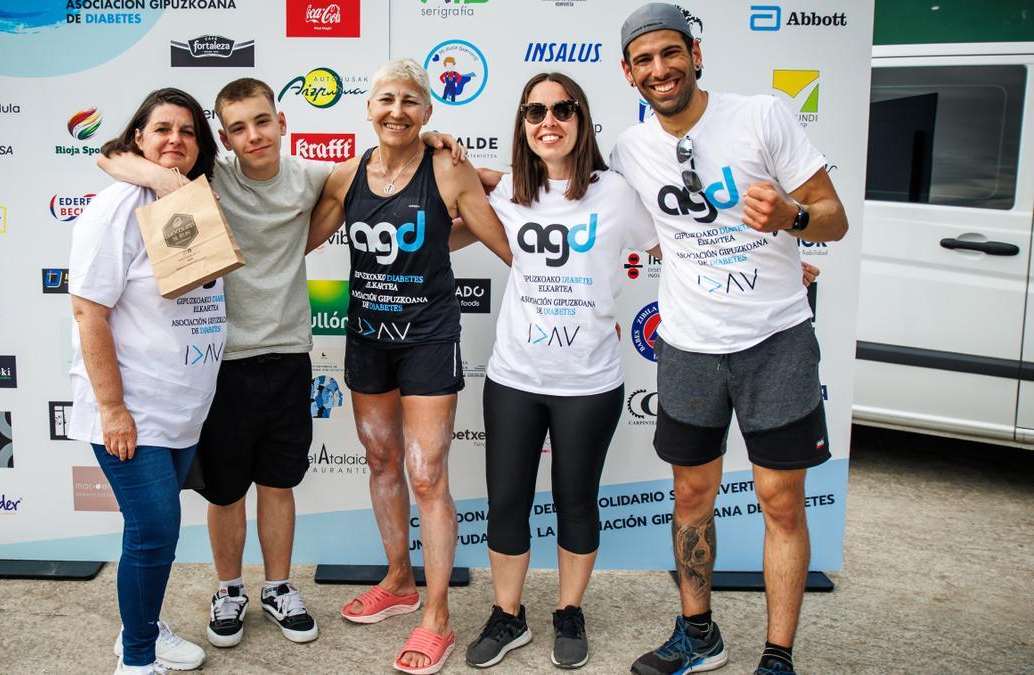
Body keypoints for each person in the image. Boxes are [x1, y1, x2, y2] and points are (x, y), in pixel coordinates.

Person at [97, 79, 464, 655]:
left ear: (282, 121)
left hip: (289, 355)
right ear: (223, 137)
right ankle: (227, 589)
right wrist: (166, 177)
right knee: (224, 492)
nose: (253, 135)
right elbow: (112, 153)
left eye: (262, 121)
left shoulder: (313, 177)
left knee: (278, 483)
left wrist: (436, 141)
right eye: (238, 128)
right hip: (217, 362)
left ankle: (278, 587)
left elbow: (394, 167)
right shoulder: (204, 176)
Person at [611, 5, 849, 675]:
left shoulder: (763, 116)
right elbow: (559, 187)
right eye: (646, 61)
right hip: (687, 346)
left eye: (671, 53)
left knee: (779, 499)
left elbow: (834, 218)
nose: (661, 69)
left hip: (775, 341)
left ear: (695, 53)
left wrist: (794, 214)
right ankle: (697, 633)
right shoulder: (632, 149)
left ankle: (777, 656)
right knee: (690, 496)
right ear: (629, 74)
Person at [306, 57, 512, 675]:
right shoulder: (346, 176)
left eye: (411, 103)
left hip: (427, 338)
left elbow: (505, 240)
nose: (397, 111)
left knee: (427, 475)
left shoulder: (447, 167)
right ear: (369, 108)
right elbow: (298, 240)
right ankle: (398, 582)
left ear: (428, 113)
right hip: (367, 337)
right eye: (386, 100)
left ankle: (438, 616)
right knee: (381, 460)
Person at [454, 72, 660, 670]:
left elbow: (677, 237)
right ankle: (508, 615)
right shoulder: (507, 194)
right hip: (515, 375)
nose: (549, 120)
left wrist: (778, 254)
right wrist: (452, 163)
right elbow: (444, 236)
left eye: (563, 109)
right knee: (506, 501)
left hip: (589, 381)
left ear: (582, 119)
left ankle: (569, 611)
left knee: (577, 501)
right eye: (535, 111)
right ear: (522, 125)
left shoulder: (617, 192)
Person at [68, 87, 222, 675]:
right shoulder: (115, 207)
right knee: (155, 530)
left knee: (156, 535)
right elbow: (89, 311)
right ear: (138, 137)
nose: (175, 141)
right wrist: (113, 409)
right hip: (133, 408)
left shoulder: (195, 200)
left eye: (187, 131)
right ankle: (136, 661)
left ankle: (145, 628)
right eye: (162, 129)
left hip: (181, 406)